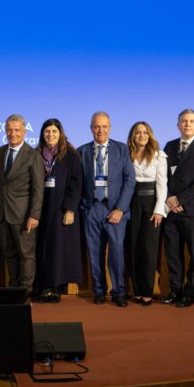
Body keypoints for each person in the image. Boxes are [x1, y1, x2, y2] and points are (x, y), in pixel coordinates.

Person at [78, 111, 135, 306]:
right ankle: (99, 290)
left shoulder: (121, 149)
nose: (100, 130)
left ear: (109, 128)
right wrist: (83, 207)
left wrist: (121, 208)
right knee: (95, 253)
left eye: (104, 126)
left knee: (116, 252)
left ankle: (118, 292)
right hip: (92, 208)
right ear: (91, 128)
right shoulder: (82, 151)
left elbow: (130, 180)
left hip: (115, 209)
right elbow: (77, 182)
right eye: (96, 126)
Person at [161, 108, 194, 308]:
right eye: (184, 121)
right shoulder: (169, 146)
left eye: (191, 121)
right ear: (178, 125)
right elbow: (163, 176)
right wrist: (169, 199)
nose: (187, 124)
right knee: (173, 254)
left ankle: (190, 292)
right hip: (171, 210)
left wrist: (179, 199)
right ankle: (175, 291)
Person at [0, 114, 45, 293]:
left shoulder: (33, 155)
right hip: (3, 214)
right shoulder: (0, 152)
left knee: (26, 254)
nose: (12, 133)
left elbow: (38, 189)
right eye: (9, 130)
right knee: (9, 254)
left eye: (17, 130)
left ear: (24, 131)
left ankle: (25, 290)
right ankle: (13, 289)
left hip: (24, 215)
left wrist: (34, 215)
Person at [35, 118, 83, 303]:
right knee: (42, 249)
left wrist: (70, 209)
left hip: (61, 209)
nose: (51, 135)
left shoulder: (71, 155)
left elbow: (76, 184)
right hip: (41, 209)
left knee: (58, 250)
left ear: (60, 133)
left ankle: (56, 289)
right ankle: (44, 288)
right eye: (47, 131)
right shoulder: (36, 154)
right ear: (42, 134)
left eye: (54, 131)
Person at [126, 121, 167, 306]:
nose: (141, 135)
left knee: (149, 250)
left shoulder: (159, 155)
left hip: (151, 204)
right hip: (131, 203)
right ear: (132, 136)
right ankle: (137, 290)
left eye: (144, 132)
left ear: (149, 135)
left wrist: (159, 210)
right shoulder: (126, 154)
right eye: (137, 132)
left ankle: (148, 291)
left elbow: (162, 185)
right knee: (133, 248)